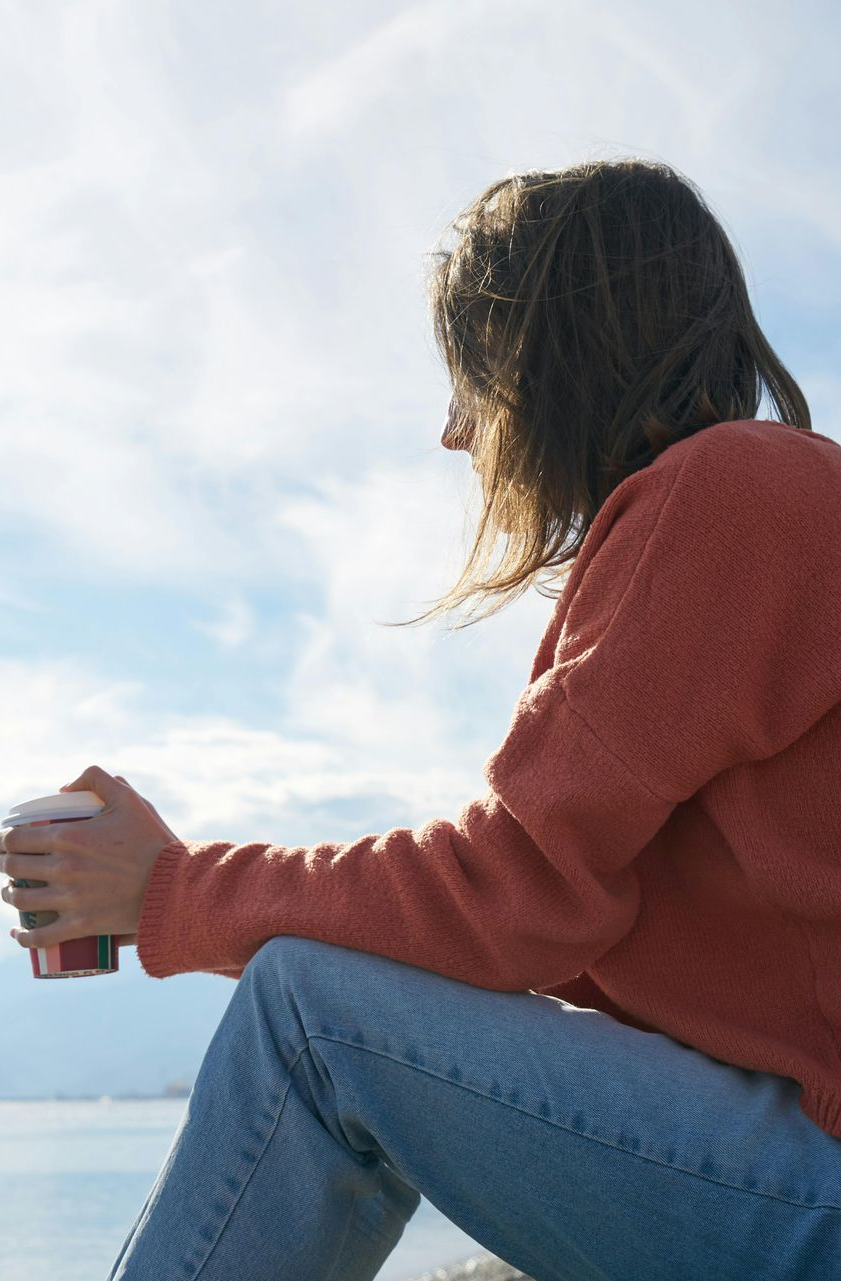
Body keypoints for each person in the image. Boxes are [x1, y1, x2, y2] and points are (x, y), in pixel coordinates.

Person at [3, 158, 841, 1281]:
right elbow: (549, 929)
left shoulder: (728, 495)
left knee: (306, 1012)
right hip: (789, 1151)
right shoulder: (759, 504)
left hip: (811, 1184)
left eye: (470, 378)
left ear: (546, 356)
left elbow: (514, 891)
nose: (456, 434)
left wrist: (169, 892)